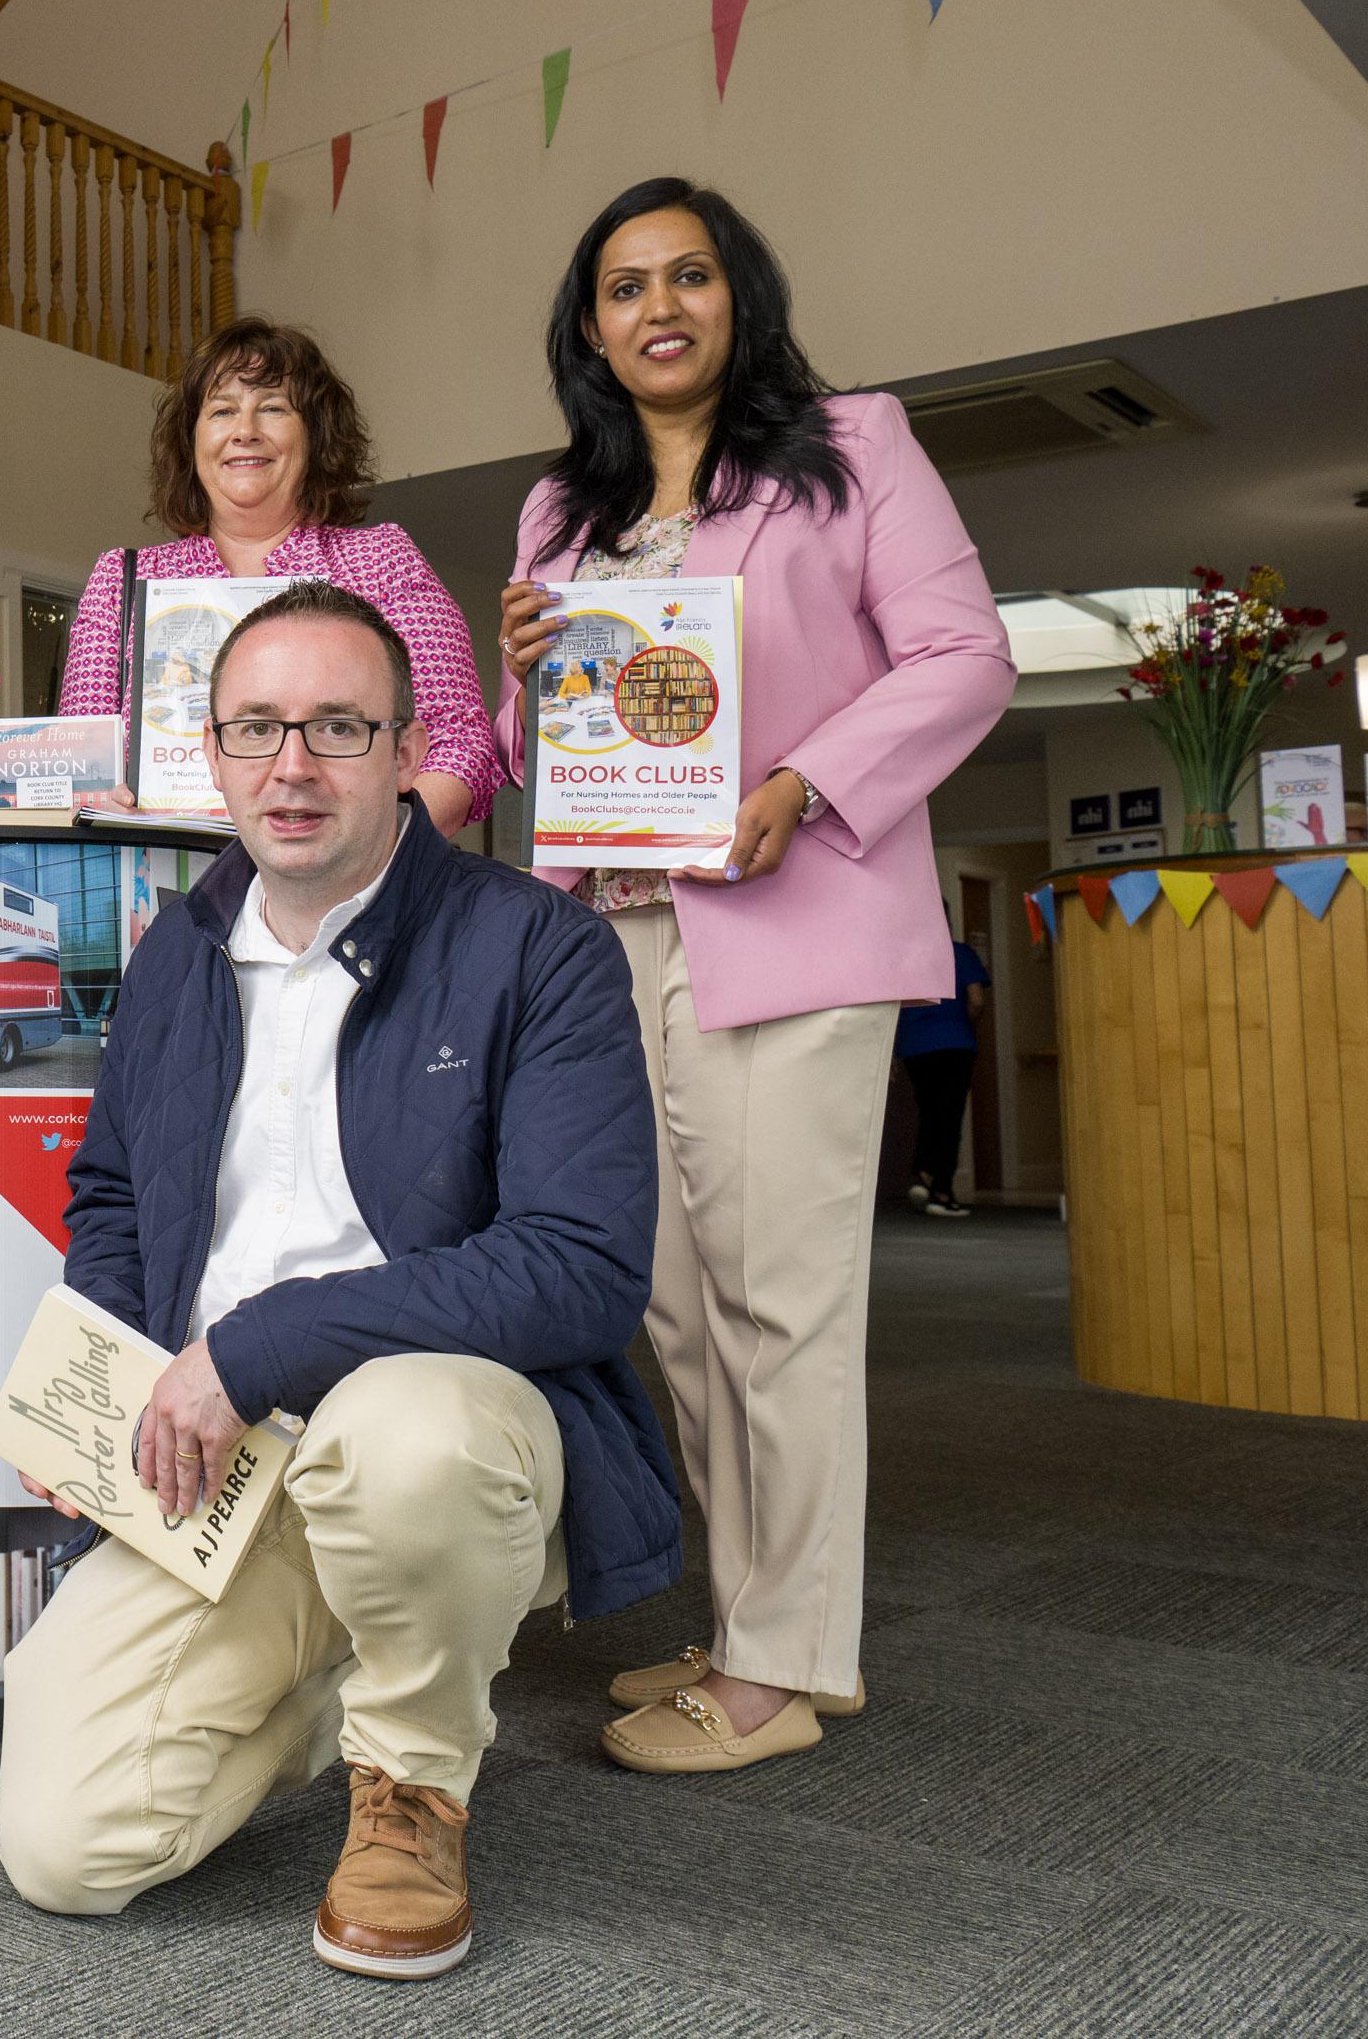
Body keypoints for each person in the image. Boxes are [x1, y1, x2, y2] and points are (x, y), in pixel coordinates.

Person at [0, 582, 672, 1982]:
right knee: (65, 1849)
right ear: (216, 752)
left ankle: (413, 1779)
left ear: (408, 746)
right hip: (229, 1469)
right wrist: (101, 1391)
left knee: (402, 1438)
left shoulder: (539, 947)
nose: (291, 766)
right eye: (256, 729)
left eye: (337, 727)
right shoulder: (180, 952)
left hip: (439, 1433)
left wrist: (258, 1344)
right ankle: (366, 1666)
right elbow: (115, 1195)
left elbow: (583, 1270)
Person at [494, 178, 1011, 1775]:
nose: (659, 306)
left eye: (690, 275)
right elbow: (548, 764)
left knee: (779, 1300)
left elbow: (966, 656)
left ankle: (784, 1667)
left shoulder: (851, 451)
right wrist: (523, 678)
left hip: (794, 919)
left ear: (738, 295)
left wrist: (803, 782)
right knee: (672, 1302)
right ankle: (760, 1625)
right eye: (624, 285)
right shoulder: (557, 514)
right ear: (590, 327)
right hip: (614, 937)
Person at [60, 319, 503, 837]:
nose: (244, 430)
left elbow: (460, 745)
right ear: (192, 441)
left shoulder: (383, 561)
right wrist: (94, 799)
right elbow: (80, 766)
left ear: (315, 435)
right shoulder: (125, 580)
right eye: (222, 410)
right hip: (160, 886)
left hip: (345, 892)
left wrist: (375, 851)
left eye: (272, 407)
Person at [897, 916, 990, 1218]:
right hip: (953, 1044)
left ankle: (924, 1171)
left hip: (914, 1045)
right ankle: (941, 1192)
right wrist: (967, 1025)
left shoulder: (906, 960)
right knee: (948, 1116)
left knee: (929, 1111)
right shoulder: (960, 953)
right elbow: (976, 999)